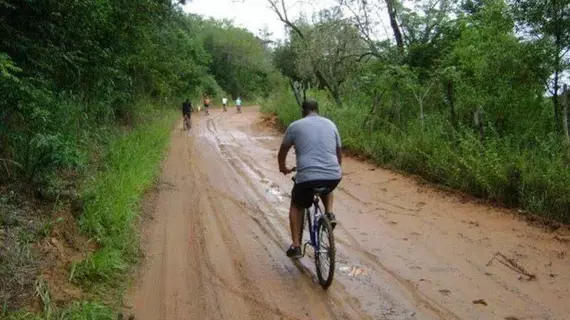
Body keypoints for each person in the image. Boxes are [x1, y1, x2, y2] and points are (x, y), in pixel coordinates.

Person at [277, 99, 342, 259]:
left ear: (303, 111)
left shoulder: (295, 126)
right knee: (327, 185)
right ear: (317, 110)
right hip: (333, 175)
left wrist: (283, 168)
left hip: (307, 178)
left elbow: (282, 152)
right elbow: (338, 152)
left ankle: (296, 246)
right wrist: (336, 168)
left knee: (296, 205)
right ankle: (329, 214)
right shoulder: (331, 124)